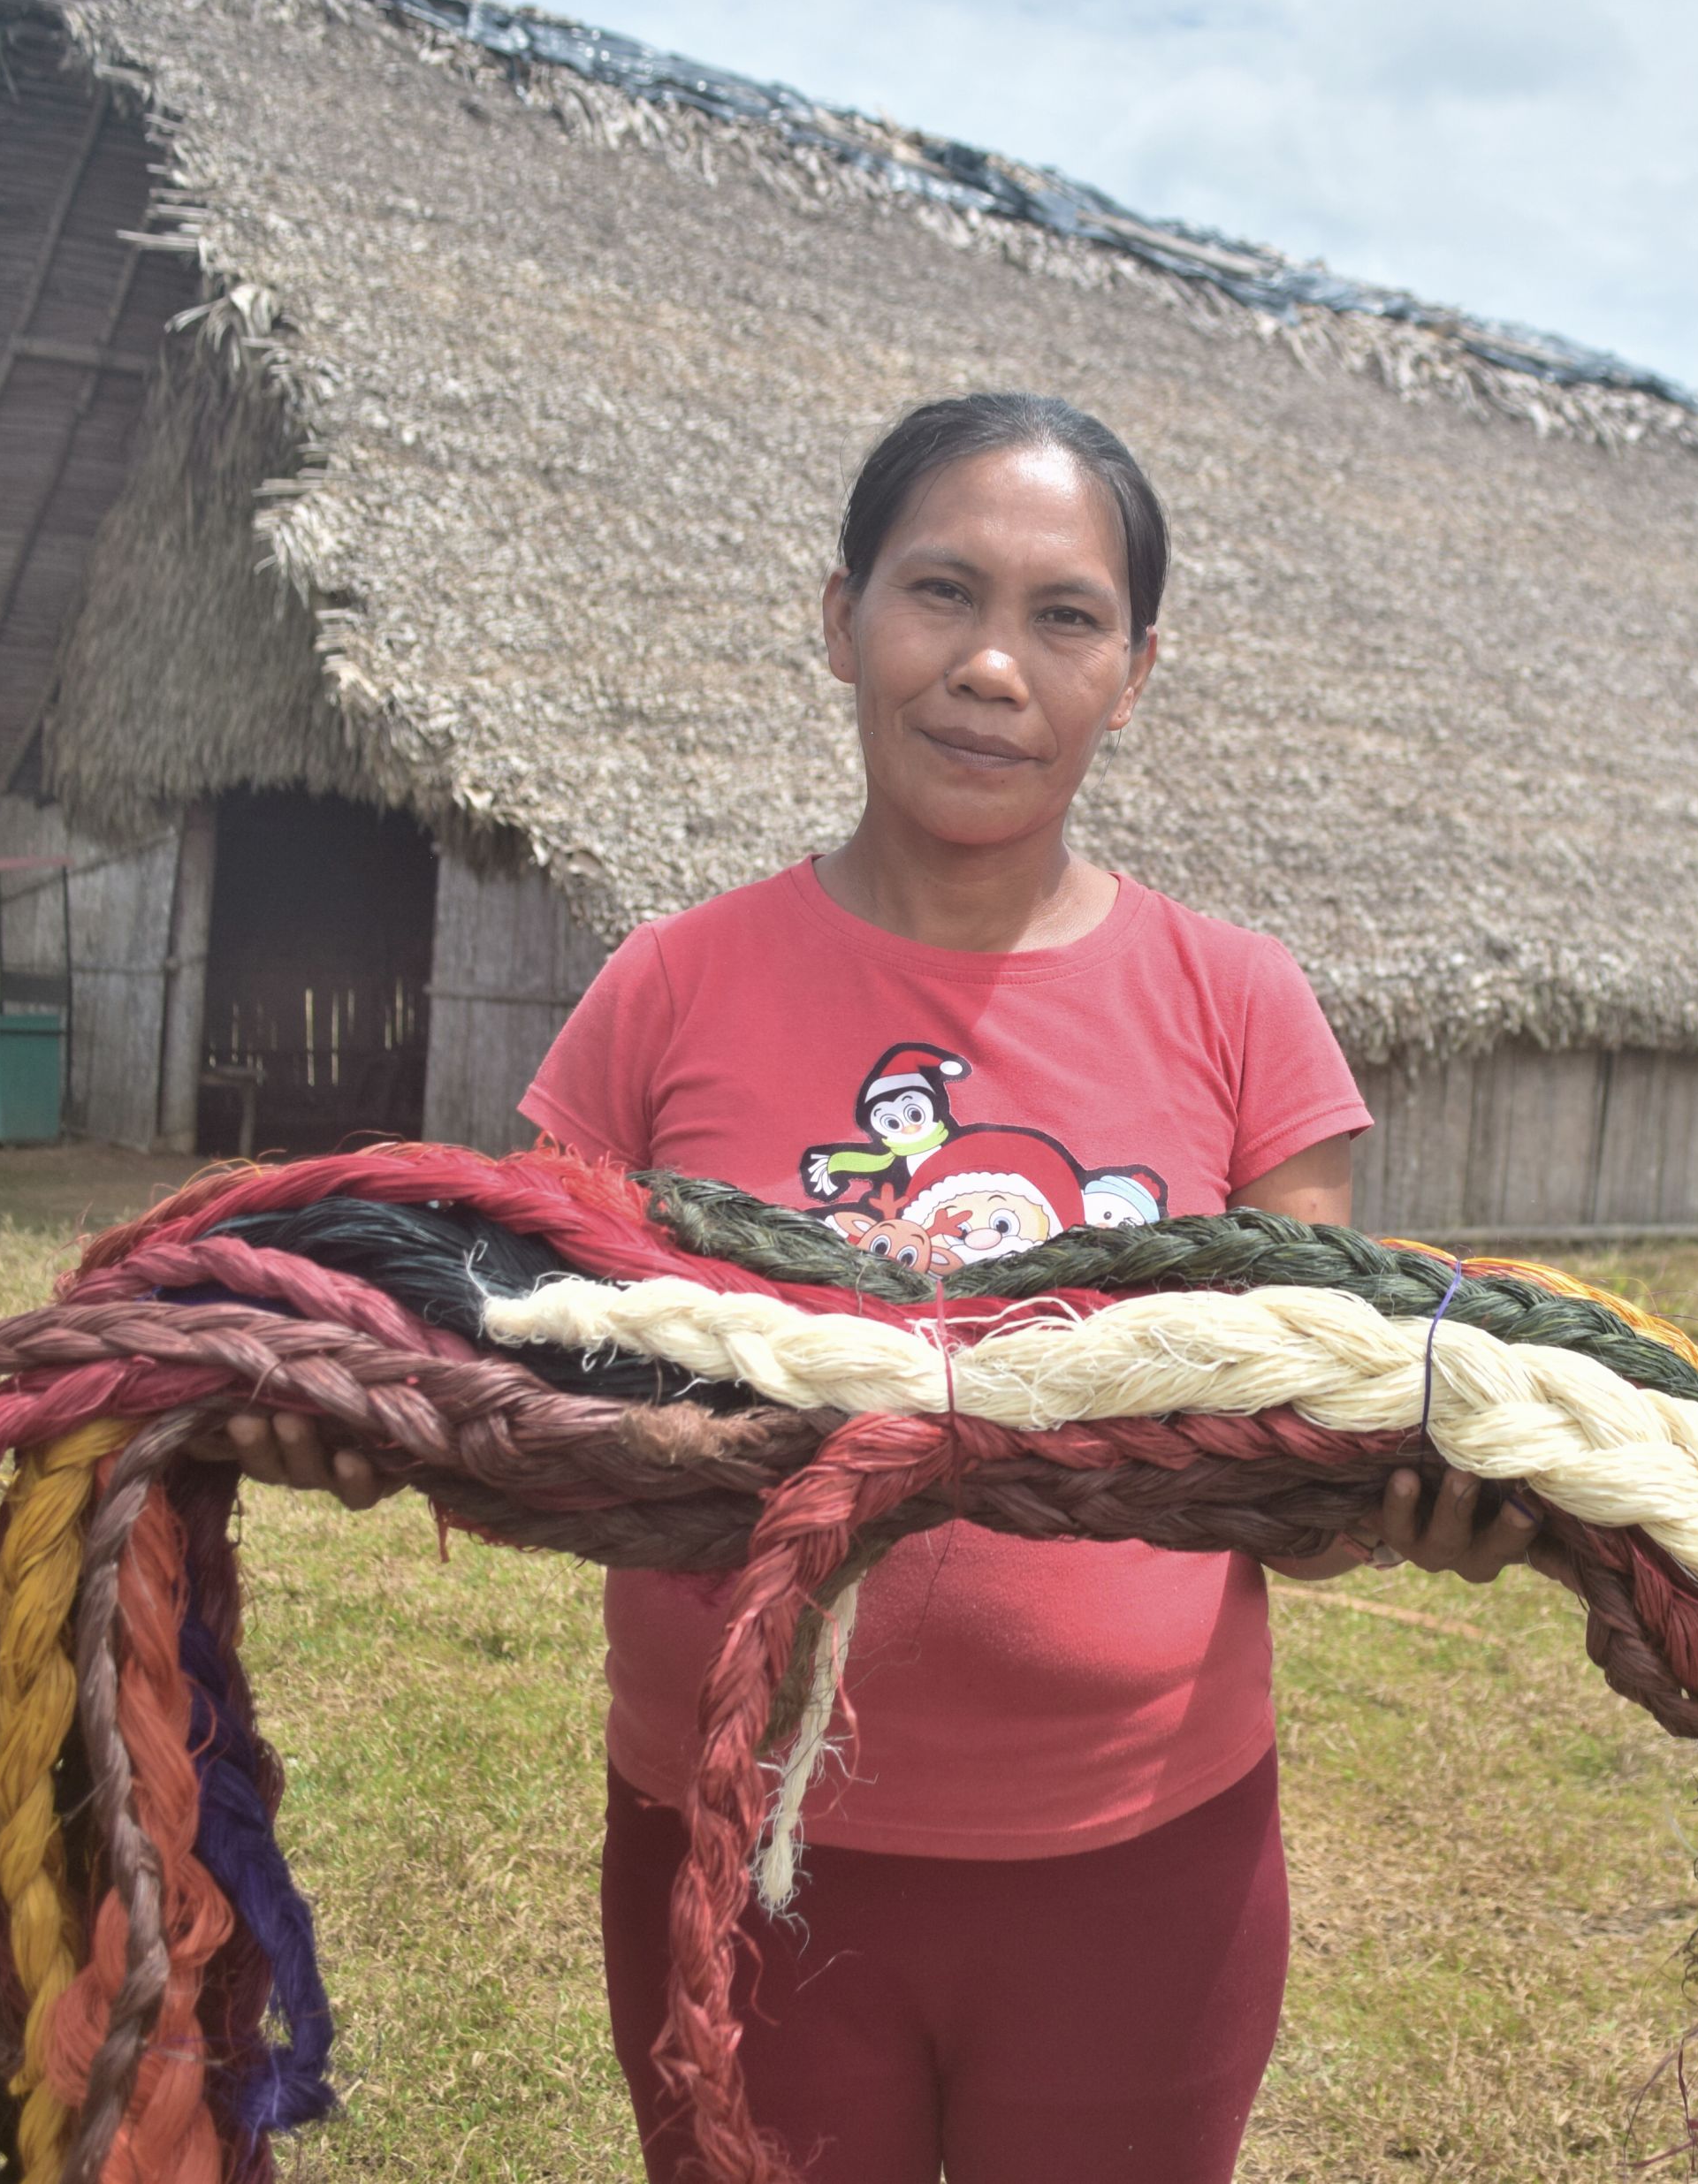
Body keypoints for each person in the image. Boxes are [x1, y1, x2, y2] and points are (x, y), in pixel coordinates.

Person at [202, 392, 1542, 2183]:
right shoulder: (669, 991)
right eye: (939, 592)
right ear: (838, 616)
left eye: (1064, 616)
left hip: (1136, 1870)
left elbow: (1288, 1477)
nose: (992, 663)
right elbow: (528, 1352)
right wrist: (387, 1415)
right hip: (728, 1842)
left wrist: (1394, 1501)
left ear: (1132, 672)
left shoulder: (1240, 1010)